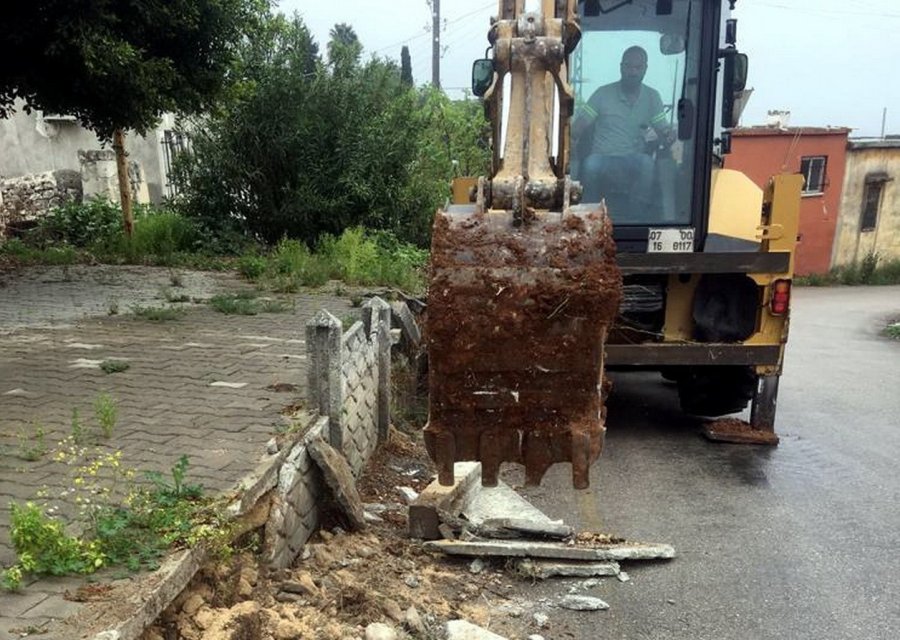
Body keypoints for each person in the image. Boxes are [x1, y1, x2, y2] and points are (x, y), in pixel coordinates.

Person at [573, 46, 674, 214]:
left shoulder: (652, 97)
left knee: (647, 164)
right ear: (621, 67)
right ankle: (587, 215)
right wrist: (572, 134)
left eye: (638, 67)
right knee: (590, 165)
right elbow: (581, 123)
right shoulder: (602, 94)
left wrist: (669, 134)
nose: (633, 72)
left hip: (633, 158)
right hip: (602, 157)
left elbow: (662, 128)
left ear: (645, 69)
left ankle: (637, 216)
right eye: (628, 66)